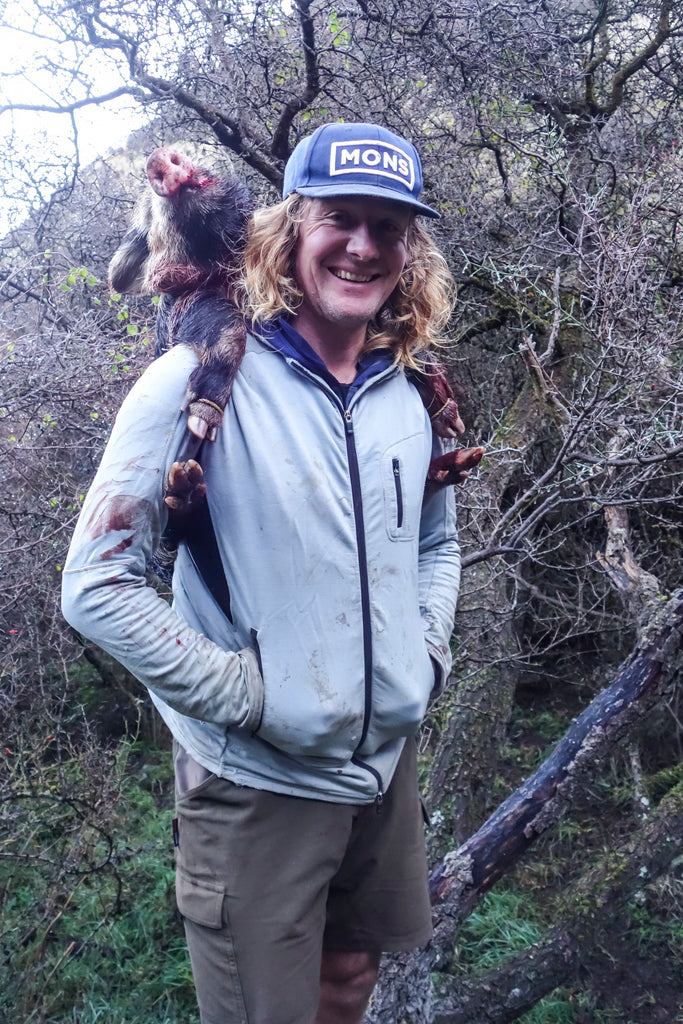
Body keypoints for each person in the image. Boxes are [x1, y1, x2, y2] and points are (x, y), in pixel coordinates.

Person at [62, 122, 461, 1024]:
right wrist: (249, 695)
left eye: (387, 227)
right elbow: (95, 584)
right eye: (339, 219)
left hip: (382, 763)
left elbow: (435, 546)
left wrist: (424, 655)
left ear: (410, 248)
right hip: (256, 780)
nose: (363, 246)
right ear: (289, 228)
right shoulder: (198, 380)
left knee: (351, 979)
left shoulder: (412, 388)